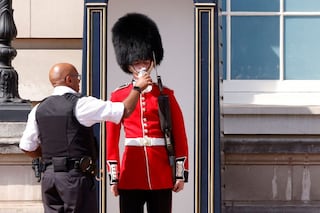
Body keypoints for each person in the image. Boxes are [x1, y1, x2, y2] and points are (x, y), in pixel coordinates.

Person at [19, 62, 152, 213]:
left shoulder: (38, 108)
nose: (79, 82)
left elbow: (26, 146)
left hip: (49, 178)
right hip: (74, 178)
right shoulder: (80, 104)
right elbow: (125, 110)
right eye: (78, 78)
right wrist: (137, 88)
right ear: (69, 79)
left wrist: (51, 158)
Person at [106, 13, 189, 213]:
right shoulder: (118, 95)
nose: (142, 67)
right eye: (137, 63)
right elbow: (111, 138)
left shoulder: (166, 94)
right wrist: (114, 176)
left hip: (160, 170)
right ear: (128, 65)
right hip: (131, 170)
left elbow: (179, 134)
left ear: (152, 61)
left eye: (145, 62)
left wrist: (180, 173)